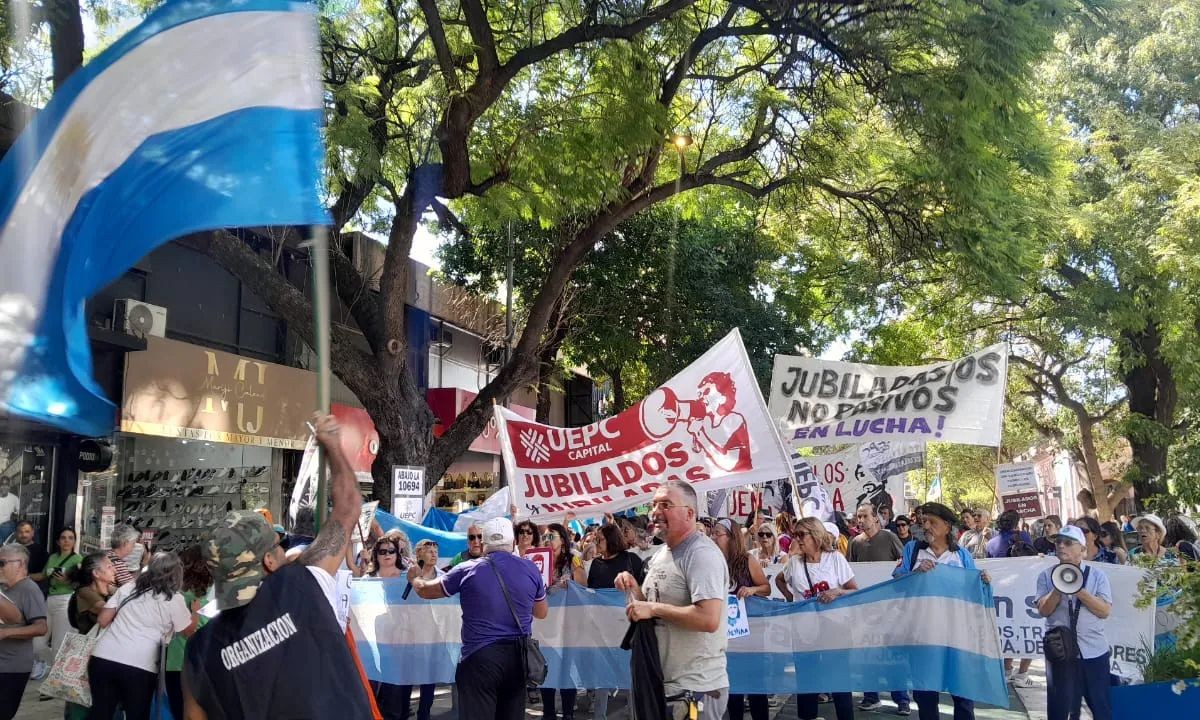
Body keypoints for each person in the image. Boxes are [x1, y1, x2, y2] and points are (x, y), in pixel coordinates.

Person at [183, 413, 375, 719]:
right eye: (277, 545)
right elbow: (349, 506)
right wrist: (334, 446)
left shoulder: (198, 651)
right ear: (268, 561)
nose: (284, 550)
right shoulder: (301, 583)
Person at [410, 517, 548, 720]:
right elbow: (541, 612)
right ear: (512, 543)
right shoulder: (530, 569)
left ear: (484, 544)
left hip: (480, 657)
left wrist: (414, 577)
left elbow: (425, 591)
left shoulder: (467, 568)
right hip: (517, 657)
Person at [615, 480, 729, 720]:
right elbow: (651, 610)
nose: (656, 512)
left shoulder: (701, 554)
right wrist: (634, 589)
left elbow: (708, 619)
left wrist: (652, 607)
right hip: (662, 686)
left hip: (695, 692)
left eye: (666, 504)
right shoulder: (660, 554)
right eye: (654, 504)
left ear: (689, 513)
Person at [893, 502, 988, 720]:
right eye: (923, 521)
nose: (926, 526)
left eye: (931, 522)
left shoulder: (962, 555)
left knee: (962, 691)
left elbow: (973, 590)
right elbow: (897, 582)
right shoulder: (913, 550)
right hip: (923, 633)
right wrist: (915, 573)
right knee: (925, 691)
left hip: (957, 633)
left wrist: (983, 581)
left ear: (947, 526)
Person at [88, 551, 199, 720]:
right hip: (140, 666)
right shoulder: (174, 599)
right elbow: (188, 632)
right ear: (176, 574)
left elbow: (103, 620)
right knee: (137, 714)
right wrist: (196, 612)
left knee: (100, 713)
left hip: (103, 658)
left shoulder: (129, 588)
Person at [775, 517, 857, 720]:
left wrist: (836, 592)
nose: (798, 539)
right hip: (804, 630)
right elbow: (779, 579)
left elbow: (853, 590)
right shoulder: (794, 563)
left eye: (802, 534)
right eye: (795, 535)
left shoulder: (835, 558)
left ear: (816, 534)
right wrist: (790, 598)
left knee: (839, 680)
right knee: (807, 680)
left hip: (835, 628)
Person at [1036, 525, 1112, 720]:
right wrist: (1059, 587)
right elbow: (1044, 610)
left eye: (1068, 543)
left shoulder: (1097, 576)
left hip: (1093, 652)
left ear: (1082, 550)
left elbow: (1104, 611)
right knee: (1059, 709)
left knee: (1101, 707)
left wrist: (1078, 590)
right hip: (1060, 652)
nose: (1061, 546)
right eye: (1058, 542)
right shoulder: (1046, 576)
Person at [849, 505, 909, 714]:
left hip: (890, 606)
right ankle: (870, 696)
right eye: (858, 517)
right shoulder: (854, 543)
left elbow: (904, 564)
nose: (861, 520)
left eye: (865, 516)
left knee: (893, 653)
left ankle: (901, 699)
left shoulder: (890, 537)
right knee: (868, 651)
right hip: (866, 608)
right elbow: (851, 573)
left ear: (875, 518)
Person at [712, 518, 771, 720]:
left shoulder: (747, 560)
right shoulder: (711, 562)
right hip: (724, 636)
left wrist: (752, 589)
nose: (713, 537)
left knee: (756, 686)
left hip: (750, 635)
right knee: (731, 687)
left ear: (730, 537)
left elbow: (766, 588)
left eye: (717, 533)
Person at [586, 523, 644, 720]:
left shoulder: (631, 560)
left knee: (631, 674)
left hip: (628, 629)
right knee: (603, 674)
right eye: (595, 540)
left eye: (599, 539)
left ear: (611, 539)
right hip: (603, 630)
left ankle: (634, 713)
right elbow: (591, 595)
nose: (596, 543)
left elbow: (643, 591)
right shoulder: (595, 564)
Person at [375, 534, 437, 720]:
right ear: (418, 554)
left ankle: (424, 715)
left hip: (429, 634)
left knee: (429, 678)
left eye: (435, 550)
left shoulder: (442, 576)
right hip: (407, 635)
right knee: (405, 679)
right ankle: (402, 713)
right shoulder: (404, 576)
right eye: (428, 550)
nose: (433, 554)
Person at [62, 552, 117, 720]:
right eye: (108, 566)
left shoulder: (110, 591)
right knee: (84, 702)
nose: (114, 569)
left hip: (105, 654)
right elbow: (106, 611)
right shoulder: (85, 592)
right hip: (87, 656)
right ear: (96, 573)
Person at [541, 522, 586, 719]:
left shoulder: (574, 560)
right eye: (545, 536)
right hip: (545, 623)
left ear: (562, 540)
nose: (547, 540)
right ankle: (548, 711)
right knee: (546, 667)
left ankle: (568, 713)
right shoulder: (539, 559)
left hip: (568, 623)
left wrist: (571, 583)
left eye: (551, 536)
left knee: (567, 667)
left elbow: (584, 585)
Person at [164, 546, 212, 720]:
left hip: (181, 664)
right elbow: (188, 631)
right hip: (189, 665)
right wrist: (196, 613)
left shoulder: (182, 595)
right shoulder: (191, 598)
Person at [0, 544, 47, 720]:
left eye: (2, 563)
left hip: (12, 667)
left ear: (20, 564)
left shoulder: (29, 589)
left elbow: (41, 627)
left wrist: (5, 634)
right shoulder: (4, 589)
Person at [30, 526, 82, 674]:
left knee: (59, 643)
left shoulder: (78, 559)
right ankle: (52, 666)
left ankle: (54, 676)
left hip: (66, 600)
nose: (66, 541)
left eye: (70, 538)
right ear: (58, 541)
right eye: (63, 538)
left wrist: (68, 580)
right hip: (50, 600)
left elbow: (82, 583)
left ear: (74, 541)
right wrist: (23, 576)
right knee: (37, 643)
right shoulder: (53, 557)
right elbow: (42, 575)